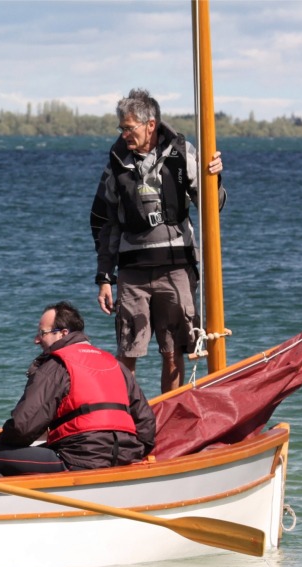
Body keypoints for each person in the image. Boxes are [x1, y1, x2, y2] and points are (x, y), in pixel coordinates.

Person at [90, 88, 226, 394]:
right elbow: (104, 223)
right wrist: (104, 278)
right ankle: (125, 419)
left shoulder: (182, 154)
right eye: (121, 128)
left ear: (150, 124)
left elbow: (211, 207)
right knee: (128, 351)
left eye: (129, 128)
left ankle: (169, 416)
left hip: (177, 268)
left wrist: (214, 177)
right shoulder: (116, 164)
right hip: (132, 273)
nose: (124, 134)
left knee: (173, 351)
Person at [0, 302, 155, 478]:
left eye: (42, 333)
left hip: (80, 458)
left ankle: (13, 507)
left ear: (63, 333)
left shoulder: (56, 365)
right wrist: (133, 453)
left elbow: (23, 425)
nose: (36, 340)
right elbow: (146, 423)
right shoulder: (115, 364)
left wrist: (2, 448)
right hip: (125, 454)